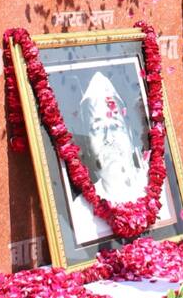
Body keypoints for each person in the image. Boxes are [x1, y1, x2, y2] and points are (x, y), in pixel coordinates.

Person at [68, 71, 171, 244]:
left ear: (130, 133)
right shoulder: (81, 211)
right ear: (87, 145)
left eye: (115, 126)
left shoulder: (160, 189)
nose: (109, 138)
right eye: (98, 129)